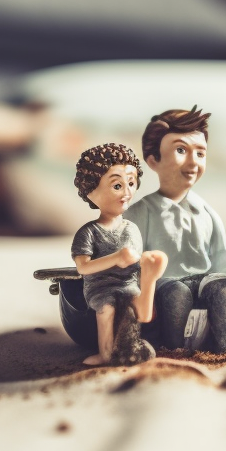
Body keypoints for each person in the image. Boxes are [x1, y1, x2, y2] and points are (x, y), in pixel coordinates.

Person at [124, 107, 226, 355]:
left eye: (200, 153)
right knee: (176, 294)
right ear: (153, 160)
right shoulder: (140, 213)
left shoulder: (206, 212)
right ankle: (173, 349)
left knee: (224, 288)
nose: (193, 162)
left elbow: (221, 257)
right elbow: (128, 259)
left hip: (203, 280)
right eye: (181, 150)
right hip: (164, 285)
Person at [70, 143, 168, 366]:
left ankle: (150, 280)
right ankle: (105, 353)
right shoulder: (88, 232)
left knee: (144, 310)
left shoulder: (131, 229)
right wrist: (116, 258)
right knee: (107, 309)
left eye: (131, 183)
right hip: (101, 287)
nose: (127, 192)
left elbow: (134, 262)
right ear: (91, 191)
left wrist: (145, 264)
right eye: (117, 185)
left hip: (127, 283)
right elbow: (83, 267)